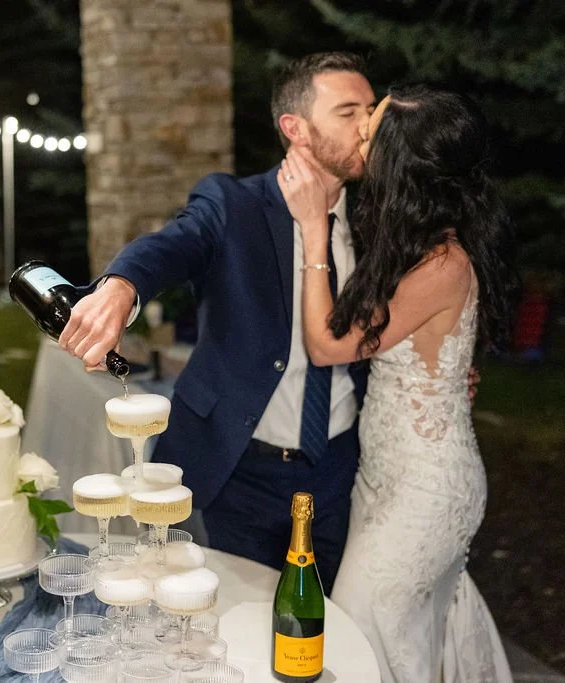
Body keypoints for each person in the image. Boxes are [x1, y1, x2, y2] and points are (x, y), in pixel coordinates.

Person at [57, 52, 376, 593]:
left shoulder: (376, 220)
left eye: (371, 110)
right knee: (237, 618)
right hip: (240, 467)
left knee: (323, 621)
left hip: (339, 466)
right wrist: (122, 284)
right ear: (294, 128)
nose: (368, 126)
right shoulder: (233, 205)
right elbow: (172, 246)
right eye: (348, 112)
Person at [278, 84, 516, 682]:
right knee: (399, 634)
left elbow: (327, 345)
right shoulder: (413, 242)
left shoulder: (442, 263)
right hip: (383, 478)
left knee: (361, 626)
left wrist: (312, 231)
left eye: (373, 128)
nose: (362, 135)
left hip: (425, 493)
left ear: (404, 164)